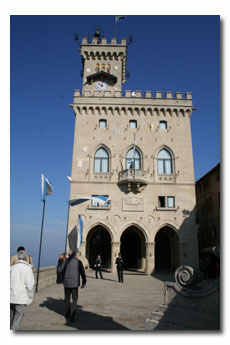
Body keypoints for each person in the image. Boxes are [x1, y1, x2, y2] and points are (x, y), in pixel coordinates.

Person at [57, 250, 86, 322]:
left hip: (66, 283)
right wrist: (84, 280)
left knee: (67, 299)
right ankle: (72, 315)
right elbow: (82, 272)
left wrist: (60, 261)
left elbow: (59, 270)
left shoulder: (65, 261)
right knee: (74, 299)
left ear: (69, 255)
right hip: (75, 284)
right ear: (74, 255)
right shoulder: (78, 262)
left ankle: (67, 313)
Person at [10, 250, 34, 330]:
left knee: (11, 318)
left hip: (10, 297)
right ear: (26, 258)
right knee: (17, 320)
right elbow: (29, 286)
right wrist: (30, 297)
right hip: (21, 298)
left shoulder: (12, 268)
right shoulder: (27, 269)